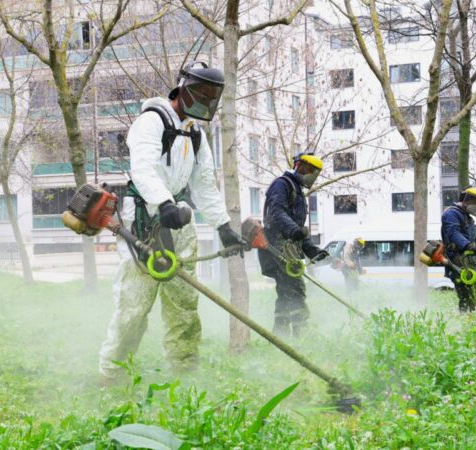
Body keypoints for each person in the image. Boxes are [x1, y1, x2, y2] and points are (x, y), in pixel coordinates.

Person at [99, 62, 245, 380]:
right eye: (200, 92)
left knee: (184, 303)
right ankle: (113, 374)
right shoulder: (151, 122)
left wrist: (223, 227)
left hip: (178, 220)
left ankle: (184, 369)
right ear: (182, 88)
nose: (204, 100)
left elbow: (205, 183)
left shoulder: (195, 134)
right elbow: (143, 169)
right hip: (144, 220)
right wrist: (163, 202)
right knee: (134, 307)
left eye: (211, 96)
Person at [258, 152, 329, 337]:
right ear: (299, 166)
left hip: (289, 246)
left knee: (285, 291)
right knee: (296, 288)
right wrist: (294, 231)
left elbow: (297, 228)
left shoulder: (296, 190)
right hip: (277, 245)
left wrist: (311, 250)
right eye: (310, 171)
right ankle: (301, 333)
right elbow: (276, 213)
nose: (311, 176)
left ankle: (280, 334)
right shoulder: (281, 185)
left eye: (315, 173)